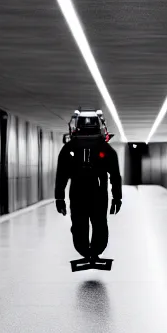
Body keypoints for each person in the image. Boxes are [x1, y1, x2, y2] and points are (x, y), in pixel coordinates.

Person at [54, 109, 122, 260]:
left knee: (79, 224)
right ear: (100, 127)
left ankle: (84, 251)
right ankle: (96, 251)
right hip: (99, 194)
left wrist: (59, 198)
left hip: (77, 193)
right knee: (99, 224)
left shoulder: (69, 148)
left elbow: (61, 176)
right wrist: (117, 198)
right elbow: (115, 177)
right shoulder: (106, 149)